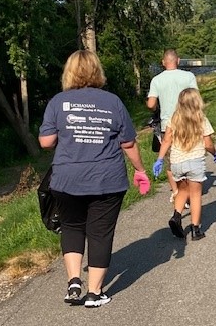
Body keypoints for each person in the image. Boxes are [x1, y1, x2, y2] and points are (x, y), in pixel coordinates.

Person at [38, 50, 150, 307]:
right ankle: (94, 293)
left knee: (72, 226)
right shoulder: (113, 102)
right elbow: (129, 143)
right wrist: (140, 171)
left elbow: (46, 142)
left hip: (66, 180)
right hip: (106, 180)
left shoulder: (58, 102)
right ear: (97, 71)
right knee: (100, 233)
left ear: (69, 72)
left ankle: (74, 281)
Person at [152, 88, 216, 240]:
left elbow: (167, 140)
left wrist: (160, 159)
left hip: (177, 162)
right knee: (195, 195)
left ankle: (176, 216)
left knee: (182, 191)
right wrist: (214, 153)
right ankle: (196, 229)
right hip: (195, 161)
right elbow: (208, 144)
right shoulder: (201, 119)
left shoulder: (174, 119)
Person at [146, 49, 198, 201]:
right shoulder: (189, 76)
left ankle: (176, 191)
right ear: (178, 60)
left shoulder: (156, 80)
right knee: (187, 156)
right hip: (188, 124)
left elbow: (151, 104)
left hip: (167, 125)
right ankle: (188, 190)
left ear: (163, 62)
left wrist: (154, 107)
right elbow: (195, 99)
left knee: (170, 160)